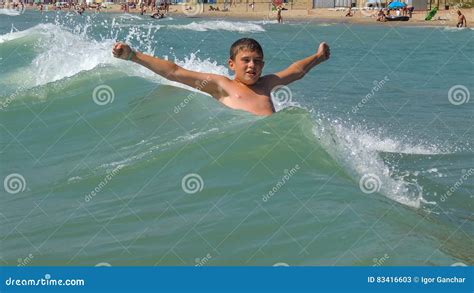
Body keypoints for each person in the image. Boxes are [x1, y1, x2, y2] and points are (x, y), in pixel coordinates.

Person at [112, 38, 330, 116]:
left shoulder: (267, 83)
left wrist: (318, 57)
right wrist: (133, 55)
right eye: (246, 60)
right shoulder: (221, 84)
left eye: (257, 61)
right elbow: (175, 72)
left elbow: (294, 71)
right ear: (232, 64)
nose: (252, 65)